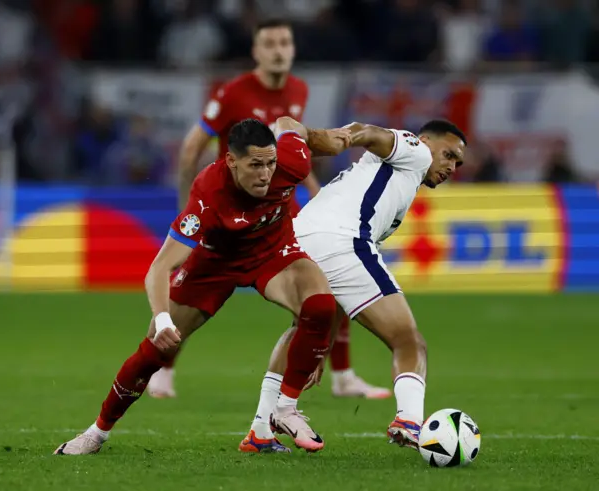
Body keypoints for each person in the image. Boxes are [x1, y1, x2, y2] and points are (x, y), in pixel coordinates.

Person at [54, 118, 352, 455]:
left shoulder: (291, 162)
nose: (266, 174)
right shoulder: (209, 194)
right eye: (255, 165)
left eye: (270, 164)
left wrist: (328, 139)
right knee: (155, 349)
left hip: (273, 252)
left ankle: (284, 410)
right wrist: (163, 319)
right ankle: (96, 433)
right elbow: (159, 267)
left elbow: (287, 125)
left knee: (322, 304)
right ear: (231, 161)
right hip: (214, 266)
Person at [150, 18, 389, 400]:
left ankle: (341, 374)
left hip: (277, 208)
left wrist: (318, 195)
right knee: (193, 292)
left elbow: (294, 156)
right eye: (270, 43)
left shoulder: (298, 90)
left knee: (331, 274)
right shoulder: (232, 93)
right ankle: (163, 369)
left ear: (292, 49)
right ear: (256, 52)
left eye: (284, 43)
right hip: (227, 214)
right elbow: (193, 148)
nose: (278, 50)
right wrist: (188, 211)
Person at [241, 120, 467, 451]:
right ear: (425, 141)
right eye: (448, 155)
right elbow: (371, 132)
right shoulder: (414, 150)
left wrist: (321, 342)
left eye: (458, 163)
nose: (451, 166)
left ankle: (261, 429)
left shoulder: (392, 178)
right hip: (341, 240)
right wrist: (339, 138)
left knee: (302, 328)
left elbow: (336, 294)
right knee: (408, 341)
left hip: (297, 237)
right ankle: (409, 420)